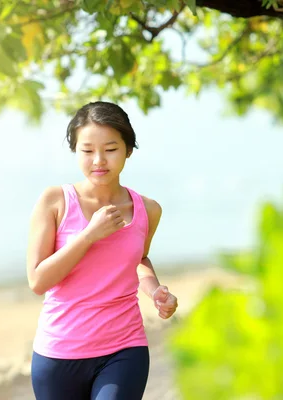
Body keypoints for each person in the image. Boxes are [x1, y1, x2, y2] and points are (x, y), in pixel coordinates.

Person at [26, 101, 178, 400]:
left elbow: (139, 258)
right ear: (75, 151)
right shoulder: (55, 201)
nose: (99, 160)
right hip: (59, 352)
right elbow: (38, 281)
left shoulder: (148, 209)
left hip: (124, 348)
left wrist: (154, 289)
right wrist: (89, 235)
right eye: (87, 150)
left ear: (128, 150)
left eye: (110, 149)